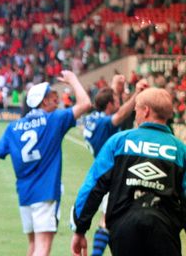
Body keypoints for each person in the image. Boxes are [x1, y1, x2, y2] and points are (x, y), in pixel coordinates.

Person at [0, 70, 92, 256]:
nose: (56, 99)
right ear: (43, 102)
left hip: (25, 194)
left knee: (33, 246)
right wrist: (73, 79)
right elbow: (86, 104)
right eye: (52, 96)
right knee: (42, 248)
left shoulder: (13, 127)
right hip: (46, 192)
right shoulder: (54, 120)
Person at [71, 87, 186, 256]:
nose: (135, 113)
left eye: (136, 109)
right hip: (165, 230)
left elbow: (94, 185)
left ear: (146, 111)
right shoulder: (180, 150)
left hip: (124, 229)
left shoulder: (118, 142)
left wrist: (80, 228)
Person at [81, 77, 148, 255]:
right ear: (110, 104)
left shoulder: (92, 119)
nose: (120, 102)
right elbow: (119, 116)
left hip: (102, 170)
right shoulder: (106, 122)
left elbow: (111, 104)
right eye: (117, 100)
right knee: (108, 219)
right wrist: (136, 94)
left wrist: (115, 88)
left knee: (110, 217)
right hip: (113, 173)